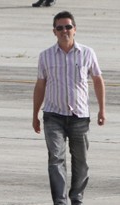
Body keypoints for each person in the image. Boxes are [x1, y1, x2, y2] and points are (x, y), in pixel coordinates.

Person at [32, 11, 106, 205]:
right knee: (56, 159)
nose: (64, 31)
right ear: (54, 32)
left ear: (75, 29)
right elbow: (40, 85)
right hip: (53, 115)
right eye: (60, 28)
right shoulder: (45, 56)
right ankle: (60, 201)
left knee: (81, 162)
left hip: (79, 116)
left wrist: (102, 110)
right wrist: (35, 115)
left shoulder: (87, 53)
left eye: (68, 27)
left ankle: (76, 198)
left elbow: (98, 80)